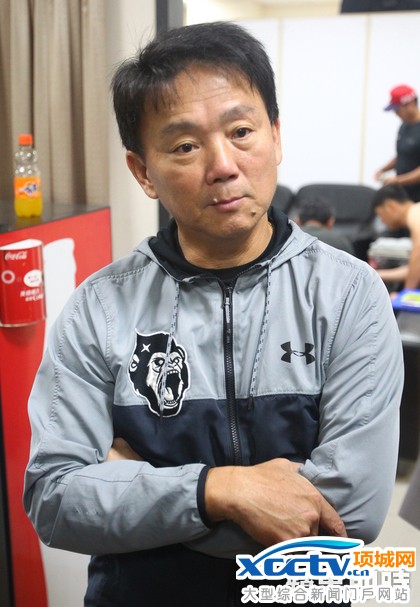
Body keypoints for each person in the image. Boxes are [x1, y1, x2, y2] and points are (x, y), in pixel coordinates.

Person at [23, 22, 404, 607]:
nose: (223, 164)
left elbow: (349, 512)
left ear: (276, 136)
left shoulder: (349, 293)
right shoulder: (100, 308)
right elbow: (55, 498)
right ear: (143, 172)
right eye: (184, 146)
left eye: (241, 131)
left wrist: (135, 485)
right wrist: (216, 491)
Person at [374, 84, 420, 202]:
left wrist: (398, 180)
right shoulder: (404, 126)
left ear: (411, 104)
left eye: (397, 110)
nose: (396, 114)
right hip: (405, 196)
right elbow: (402, 155)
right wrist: (383, 169)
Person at [371, 184, 420, 290]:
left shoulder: (415, 213)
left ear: (390, 206)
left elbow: (418, 257)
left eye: (380, 214)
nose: (382, 221)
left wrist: (406, 295)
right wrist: (376, 274)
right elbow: (414, 268)